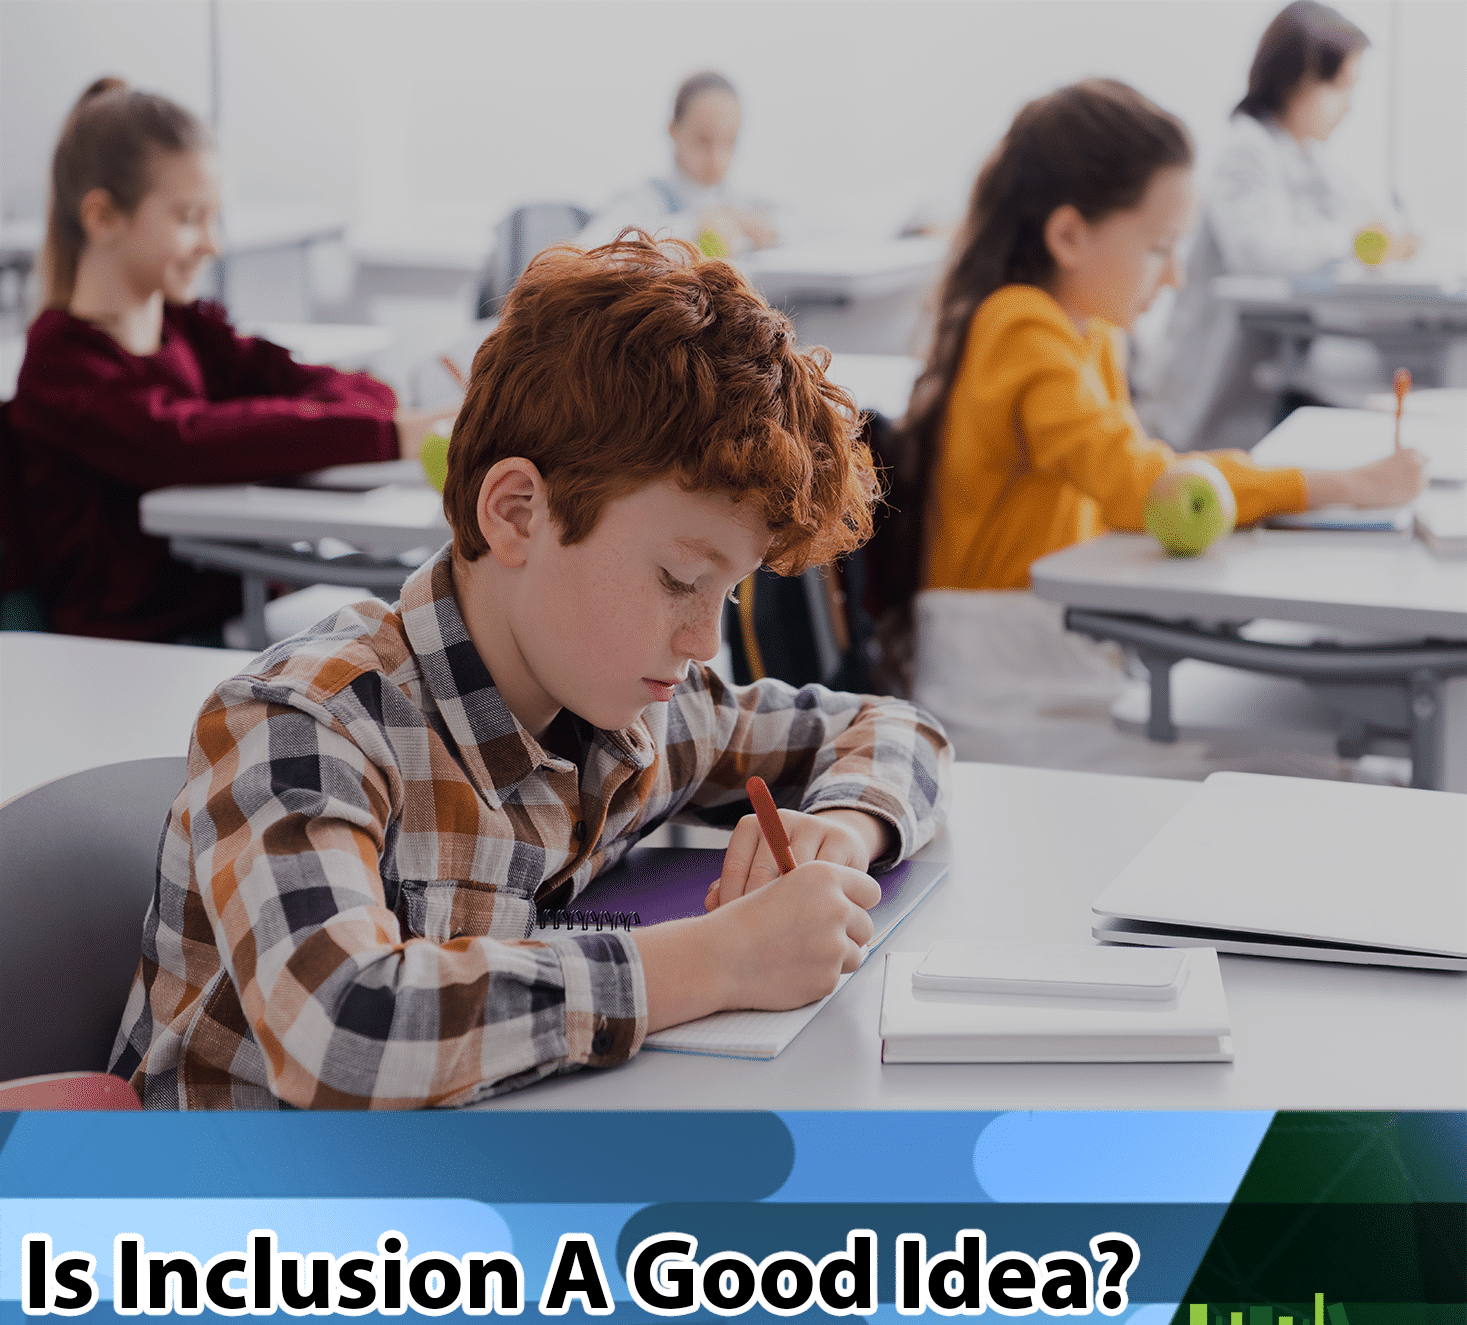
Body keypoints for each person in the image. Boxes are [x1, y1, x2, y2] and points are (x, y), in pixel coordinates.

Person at [108, 232, 953, 1109]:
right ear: (517, 513)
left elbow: (895, 729)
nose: (706, 639)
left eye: (726, 593)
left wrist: (843, 828)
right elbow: (344, 1031)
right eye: (679, 580)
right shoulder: (305, 724)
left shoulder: (633, 711)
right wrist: (722, 958)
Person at [897, 78, 1423, 772]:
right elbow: (1145, 487)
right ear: (1068, 236)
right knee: (1322, 770)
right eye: (1157, 248)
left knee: (1320, 759)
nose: (1173, 276)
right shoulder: (1022, 327)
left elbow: (1138, 481)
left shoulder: (1090, 335)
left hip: (1055, 664)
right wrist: (1343, 485)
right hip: (1006, 699)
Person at [7, 79, 449, 642]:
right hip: (134, 645)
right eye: (190, 217)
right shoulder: (61, 367)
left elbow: (315, 384)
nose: (212, 244)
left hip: (236, 605)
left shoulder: (186, 329)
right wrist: (389, 434)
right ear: (102, 217)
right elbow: (185, 440)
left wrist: (373, 415)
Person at [1144, 1, 1416, 450]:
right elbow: (1262, 254)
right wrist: (1356, 242)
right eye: (1341, 86)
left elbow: (1373, 218)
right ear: (1299, 81)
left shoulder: (1314, 160)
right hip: (1212, 387)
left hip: (1271, 381)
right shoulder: (1246, 153)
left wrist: (1389, 234)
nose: (1349, 106)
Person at [576, 71, 777, 256]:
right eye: (703, 140)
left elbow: (793, 223)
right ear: (673, 130)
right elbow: (587, 251)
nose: (717, 157)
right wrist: (696, 228)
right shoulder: (643, 201)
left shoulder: (741, 204)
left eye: (729, 140)